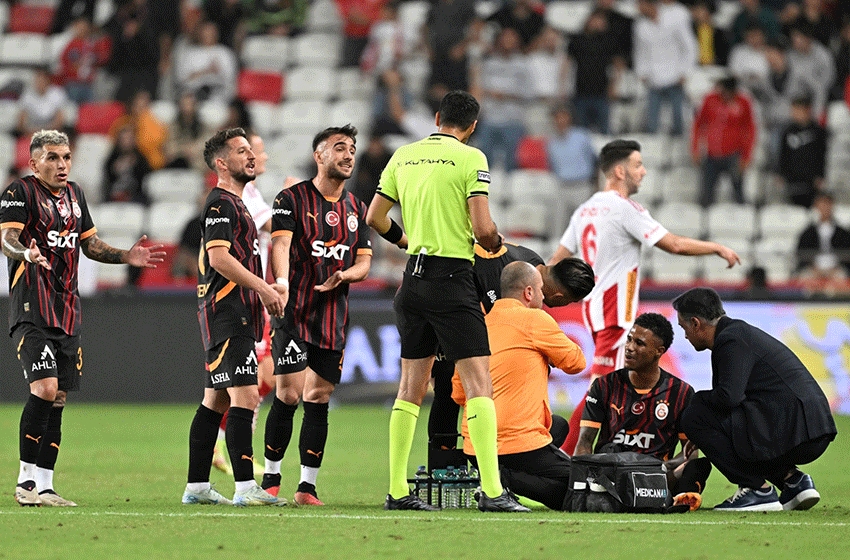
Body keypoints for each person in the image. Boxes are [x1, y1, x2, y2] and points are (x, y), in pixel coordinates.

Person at [366, 90, 527, 512]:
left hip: (412, 281)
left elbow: (374, 217)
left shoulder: (403, 155)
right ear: (472, 126)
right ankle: (492, 492)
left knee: (409, 390)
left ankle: (398, 490)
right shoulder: (471, 159)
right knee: (479, 384)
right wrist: (494, 243)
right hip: (452, 280)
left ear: (437, 118)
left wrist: (407, 242)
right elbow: (482, 226)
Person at [1, 129, 165, 507]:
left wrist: (126, 256)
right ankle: (25, 482)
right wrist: (25, 253)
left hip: (67, 310)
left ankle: (45, 485)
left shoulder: (75, 195)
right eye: (53, 158)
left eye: (66, 157)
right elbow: (7, 237)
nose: (62, 164)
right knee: (43, 388)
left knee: (57, 397)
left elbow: (89, 244)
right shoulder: (19, 193)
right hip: (31, 308)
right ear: (34, 162)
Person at [549, 139, 741, 455]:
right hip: (613, 311)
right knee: (599, 390)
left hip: (593, 310)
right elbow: (674, 245)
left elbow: (556, 260)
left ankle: (605, 452)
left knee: (607, 387)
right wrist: (716, 247)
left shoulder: (585, 209)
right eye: (638, 165)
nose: (644, 171)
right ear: (621, 170)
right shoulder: (625, 209)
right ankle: (566, 458)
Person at [261, 125, 372, 506]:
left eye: (352, 149)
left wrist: (347, 274)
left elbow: (364, 262)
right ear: (319, 155)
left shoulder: (356, 208)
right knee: (289, 392)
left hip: (332, 317)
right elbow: (281, 243)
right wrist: (281, 281)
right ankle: (271, 480)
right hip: (293, 311)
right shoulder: (291, 199)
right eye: (339, 148)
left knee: (319, 396)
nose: (348, 155)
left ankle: (306, 487)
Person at [181, 127, 287, 507]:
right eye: (242, 151)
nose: (252, 156)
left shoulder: (237, 203)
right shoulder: (221, 204)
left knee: (216, 400)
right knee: (246, 398)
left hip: (231, 311)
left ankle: (196, 487)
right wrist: (263, 287)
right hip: (227, 311)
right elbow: (219, 258)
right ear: (222, 164)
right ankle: (245, 487)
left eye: (251, 150)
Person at [674, 287, 838, 511]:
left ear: (695, 323)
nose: (685, 335)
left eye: (684, 328)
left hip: (798, 429)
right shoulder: (737, 334)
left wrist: (697, 419)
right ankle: (792, 481)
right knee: (720, 415)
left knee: (695, 413)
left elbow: (728, 398)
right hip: (811, 427)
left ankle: (756, 489)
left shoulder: (731, 339)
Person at [428, 245, 596, 461]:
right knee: (448, 391)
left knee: (454, 394)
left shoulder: (531, 260)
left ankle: (457, 470)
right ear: (559, 295)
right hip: (450, 319)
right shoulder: (507, 290)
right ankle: (451, 468)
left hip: (448, 310)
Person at [452, 262, 586, 510]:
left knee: (557, 426)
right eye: (541, 291)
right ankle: (504, 480)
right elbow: (577, 362)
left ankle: (492, 476)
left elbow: (459, 394)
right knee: (582, 487)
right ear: (528, 293)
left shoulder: (478, 324)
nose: (544, 297)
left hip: (476, 447)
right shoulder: (534, 319)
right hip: (517, 443)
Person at [575, 313, 711, 512]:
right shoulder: (604, 385)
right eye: (629, 339)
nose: (629, 347)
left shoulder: (681, 393)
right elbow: (585, 442)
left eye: (639, 343)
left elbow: (689, 453)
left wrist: (662, 468)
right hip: (612, 472)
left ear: (659, 351)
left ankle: (683, 497)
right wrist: (582, 484)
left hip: (654, 475)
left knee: (698, 466)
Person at [211, 131, 276, 477]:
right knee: (246, 386)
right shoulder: (242, 194)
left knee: (247, 383)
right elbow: (276, 226)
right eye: (252, 150)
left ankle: (217, 446)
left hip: (254, 298)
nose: (259, 157)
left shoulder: (250, 191)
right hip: (246, 299)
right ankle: (241, 469)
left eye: (258, 151)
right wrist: (302, 203)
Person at [691, 76, 757, 207]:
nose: (726, 95)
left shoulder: (743, 102)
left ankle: (742, 221)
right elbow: (698, 124)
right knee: (706, 195)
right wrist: (695, 149)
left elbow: (750, 130)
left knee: (738, 194)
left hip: (734, 155)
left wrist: (746, 156)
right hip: (711, 155)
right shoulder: (710, 99)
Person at [634, 0, 697, 135]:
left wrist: (685, 71)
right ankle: (653, 147)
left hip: (674, 75)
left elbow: (689, 47)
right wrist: (642, 71)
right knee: (652, 120)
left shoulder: (674, 19)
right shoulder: (640, 26)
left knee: (677, 117)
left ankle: (679, 143)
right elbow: (640, 51)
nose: (638, 8)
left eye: (641, 4)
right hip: (654, 78)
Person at [795, 192, 850, 294]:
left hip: (836, 269)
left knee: (841, 282)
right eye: (822, 204)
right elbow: (801, 254)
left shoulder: (843, 233)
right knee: (805, 281)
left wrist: (835, 269)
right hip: (813, 269)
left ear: (832, 206)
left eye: (828, 203)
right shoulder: (807, 233)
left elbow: (847, 255)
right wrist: (814, 268)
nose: (825, 207)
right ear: (816, 206)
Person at [778, 95, 827, 208]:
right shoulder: (787, 131)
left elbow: (822, 155)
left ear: (807, 110)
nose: (794, 113)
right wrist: (781, 173)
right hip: (792, 182)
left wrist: (821, 175)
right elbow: (783, 154)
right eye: (793, 110)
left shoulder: (818, 132)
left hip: (812, 182)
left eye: (797, 110)